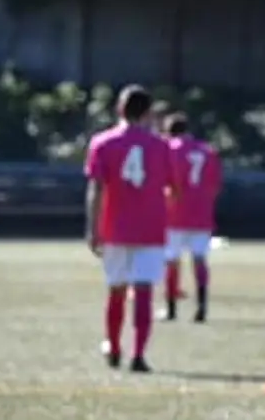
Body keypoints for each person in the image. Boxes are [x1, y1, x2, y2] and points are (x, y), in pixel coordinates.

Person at [84, 86, 177, 373]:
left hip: (115, 227)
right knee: (144, 291)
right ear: (148, 113)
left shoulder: (102, 142)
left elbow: (96, 188)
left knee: (116, 291)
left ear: (119, 109)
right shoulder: (161, 146)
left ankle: (113, 346)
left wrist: (93, 227)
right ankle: (138, 354)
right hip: (150, 228)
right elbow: (172, 188)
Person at [161, 114, 222, 323]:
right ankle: (202, 307)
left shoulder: (169, 149)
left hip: (175, 214)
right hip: (201, 214)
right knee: (200, 260)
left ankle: (171, 309)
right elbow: (215, 186)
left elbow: (166, 182)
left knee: (171, 261)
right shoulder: (209, 151)